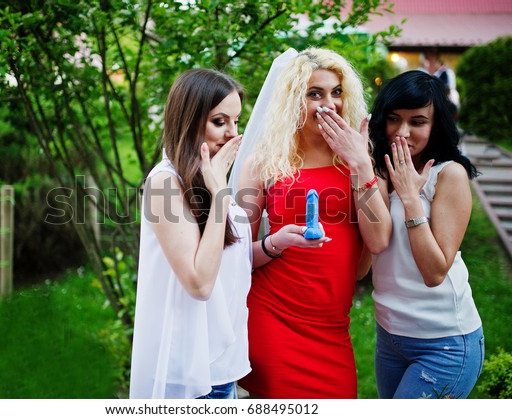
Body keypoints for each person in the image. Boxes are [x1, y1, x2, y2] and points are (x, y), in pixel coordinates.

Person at [234, 47, 391, 398]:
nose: (329, 104)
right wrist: (277, 243)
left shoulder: (359, 156)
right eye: (314, 94)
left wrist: (360, 166)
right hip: (273, 317)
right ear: (293, 99)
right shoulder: (265, 162)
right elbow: (236, 255)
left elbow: (378, 241)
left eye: (337, 92)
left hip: (333, 326)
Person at [129, 68, 252, 399]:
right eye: (219, 121)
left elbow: (225, 260)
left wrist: (272, 245)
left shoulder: (208, 174)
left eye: (236, 122)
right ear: (190, 119)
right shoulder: (165, 184)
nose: (231, 134)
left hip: (222, 367)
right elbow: (199, 283)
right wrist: (220, 194)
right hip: (191, 375)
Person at [369, 70, 484, 399]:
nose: (402, 132)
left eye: (417, 121)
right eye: (394, 119)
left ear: (436, 126)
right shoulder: (378, 172)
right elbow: (371, 249)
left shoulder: (449, 175)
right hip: (389, 334)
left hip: (444, 342)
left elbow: (435, 272)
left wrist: (409, 200)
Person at [419, 48, 460, 112]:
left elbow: (450, 88)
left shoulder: (446, 73)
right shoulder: (421, 71)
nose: (431, 59)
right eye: (429, 57)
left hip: (444, 102)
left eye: (433, 56)